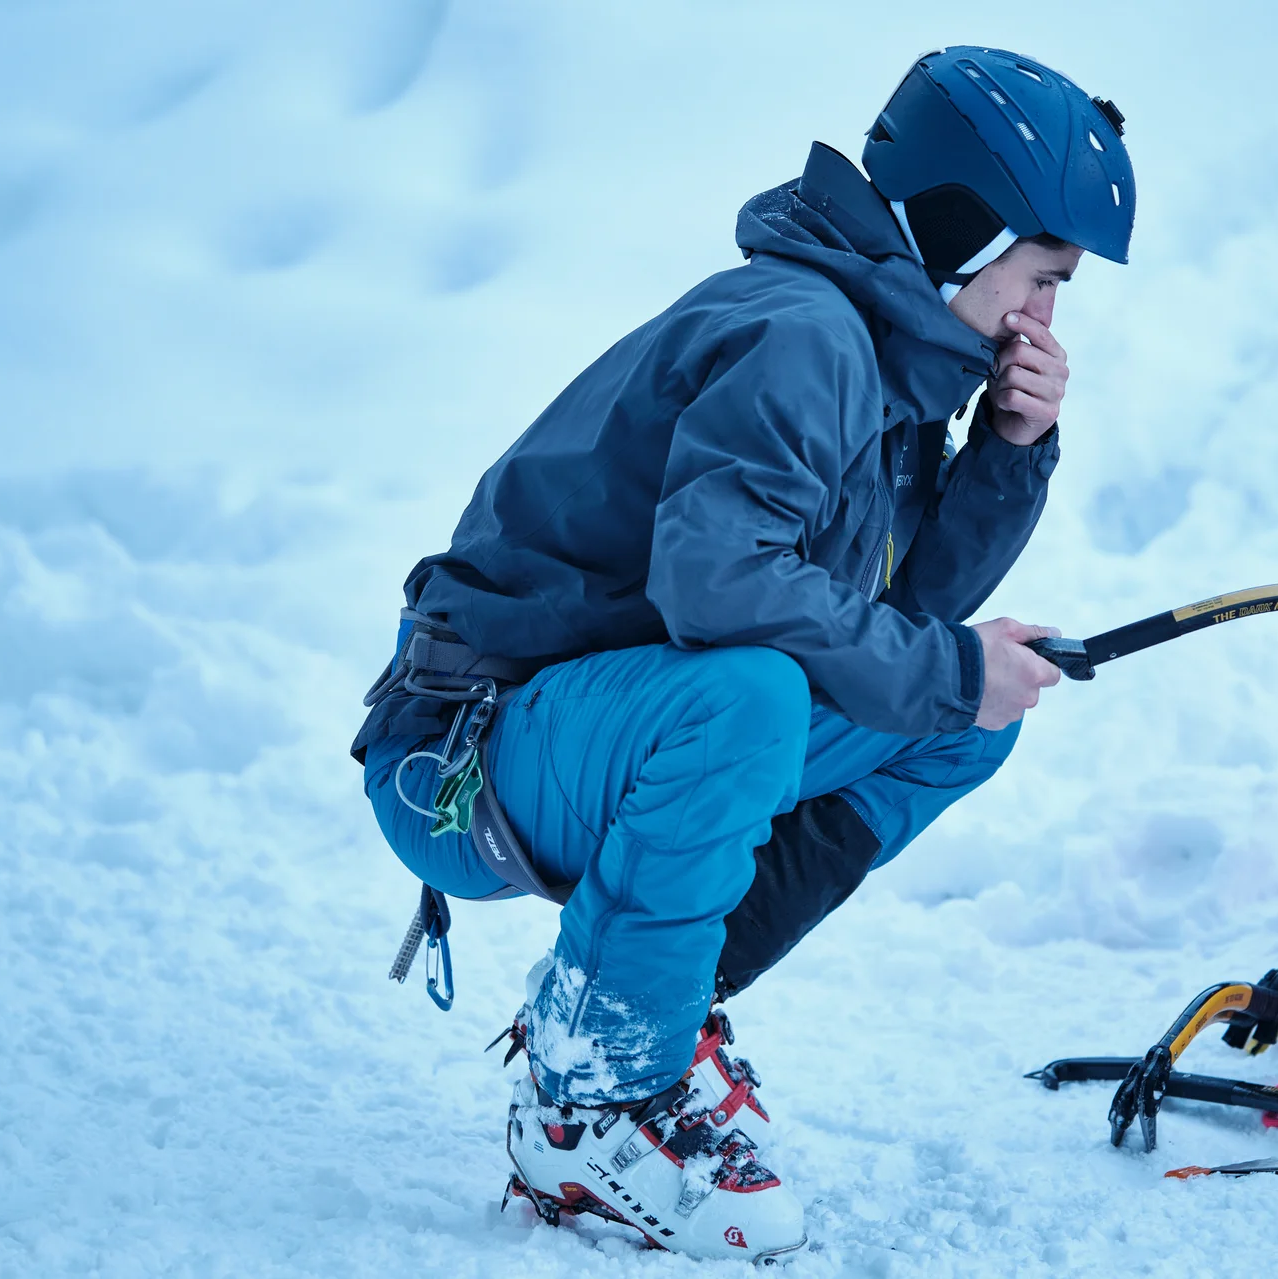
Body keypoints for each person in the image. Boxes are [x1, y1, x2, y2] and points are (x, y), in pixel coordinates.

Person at [353, 48, 1135, 1261]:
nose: (1044, 320)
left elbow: (903, 615)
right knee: (761, 691)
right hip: (463, 755)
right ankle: (593, 1094)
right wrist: (944, 667)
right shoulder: (805, 338)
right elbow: (716, 583)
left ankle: (657, 999)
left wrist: (1008, 452)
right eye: (1042, 280)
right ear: (962, 232)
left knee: (959, 717)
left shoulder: (885, 364)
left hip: (598, 733)